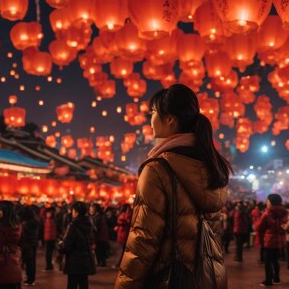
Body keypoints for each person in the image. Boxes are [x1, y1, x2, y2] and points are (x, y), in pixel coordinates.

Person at [114, 84, 229, 289]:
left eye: (153, 113)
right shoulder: (211, 166)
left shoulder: (157, 170)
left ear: (170, 119)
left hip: (171, 278)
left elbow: (143, 240)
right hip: (206, 276)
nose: (150, 120)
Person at [59, 202, 96, 289]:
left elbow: (66, 246)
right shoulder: (88, 224)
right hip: (85, 260)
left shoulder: (73, 226)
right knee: (84, 285)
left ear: (76, 212)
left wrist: (60, 245)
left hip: (74, 262)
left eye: (73, 210)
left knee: (72, 285)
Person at [256, 194, 288, 287]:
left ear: (271, 202)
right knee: (275, 260)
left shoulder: (267, 213)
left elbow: (259, 227)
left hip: (269, 241)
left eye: (268, 201)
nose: (266, 202)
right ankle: (277, 279)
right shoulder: (284, 212)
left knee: (267, 261)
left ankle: (268, 280)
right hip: (280, 241)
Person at [20, 206, 39, 286]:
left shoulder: (27, 223)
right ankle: (31, 279)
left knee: (29, 262)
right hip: (33, 243)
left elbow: (25, 235)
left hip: (28, 244)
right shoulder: (35, 221)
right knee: (31, 262)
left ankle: (30, 279)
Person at [90, 203, 109, 267]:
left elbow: (97, 227)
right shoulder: (96, 216)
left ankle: (102, 262)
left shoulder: (99, 217)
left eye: (92, 208)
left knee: (100, 249)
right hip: (99, 236)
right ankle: (100, 262)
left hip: (100, 236)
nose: (91, 210)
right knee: (98, 250)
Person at [114, 204, 132, 268]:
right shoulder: (125, 215)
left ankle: (120, 263)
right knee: (122, 250)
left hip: (124, 234)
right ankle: (119, 263)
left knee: (122, 250)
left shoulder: (124, 214)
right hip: (123, 234)